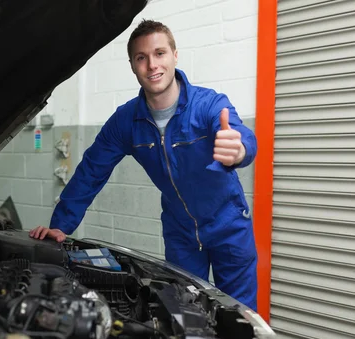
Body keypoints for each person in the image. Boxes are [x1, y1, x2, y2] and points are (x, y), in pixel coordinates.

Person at [29, 20, 258, 311]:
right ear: (132, 65)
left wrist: (238, 150)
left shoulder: (209, 105)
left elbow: (243, 138)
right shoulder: (126, 122)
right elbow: (90, 172)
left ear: (175, 55)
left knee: (240, 317)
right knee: (185, 313)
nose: (152, 65)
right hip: (181, 232)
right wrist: (60, 226)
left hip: (229, 227)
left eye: (160, 53)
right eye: (142, 57)